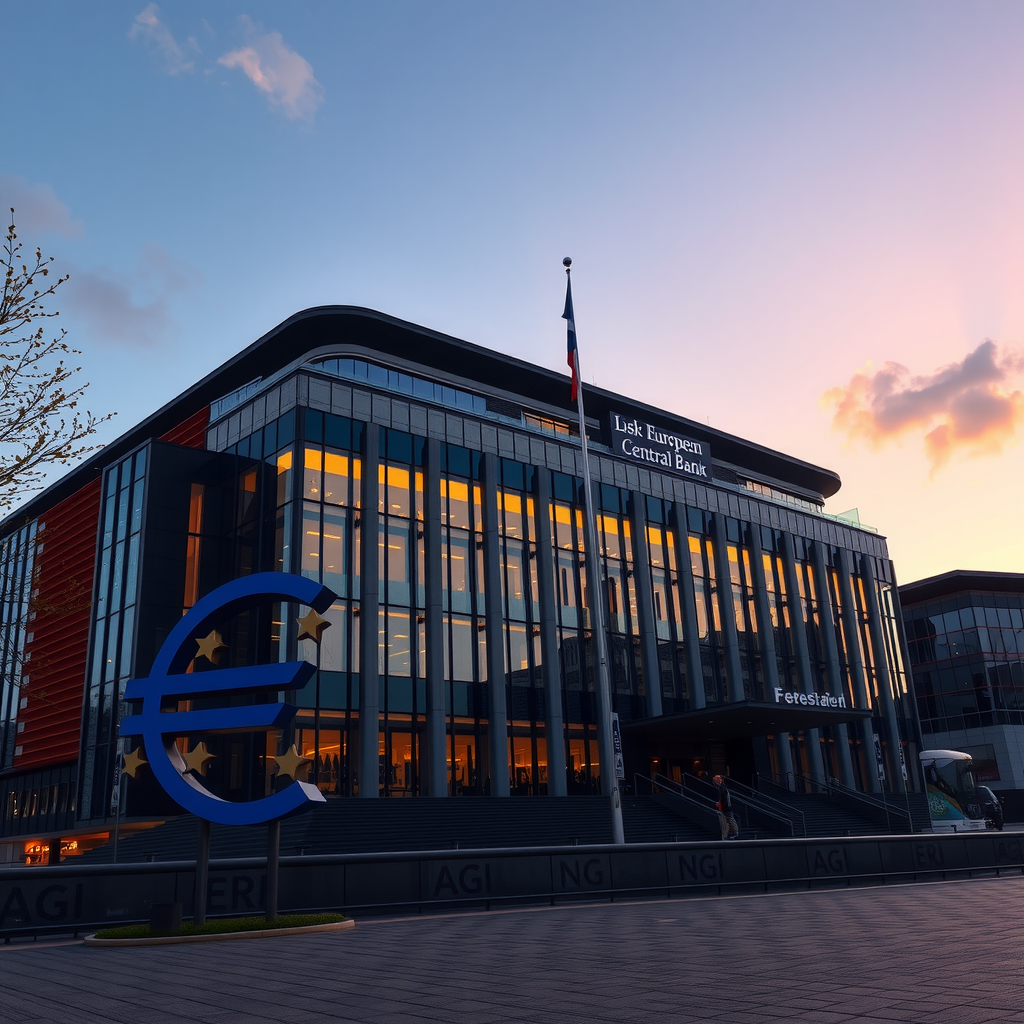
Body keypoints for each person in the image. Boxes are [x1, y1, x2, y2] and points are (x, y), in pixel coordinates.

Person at [713, 774, 739, 840]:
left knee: (729, 819)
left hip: (726, 806)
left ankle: (735, 832)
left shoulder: (722, 788)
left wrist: (719, 803)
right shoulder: (723, 787)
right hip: (726, 806)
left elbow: (722, 797)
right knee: (728, 820)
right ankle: (729, 833)